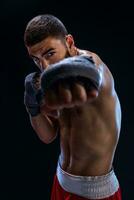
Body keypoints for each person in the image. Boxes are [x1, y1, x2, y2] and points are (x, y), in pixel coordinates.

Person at [23, 14, 122, 200]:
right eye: (36, 59)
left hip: (94, 194)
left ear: (69, 41)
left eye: (49, 54)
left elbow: (94, 72)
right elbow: (48, 136)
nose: (44, 66)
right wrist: (32, 107)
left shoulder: (94, 65)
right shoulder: (54, 79)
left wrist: (81, 70)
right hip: (61, 182)